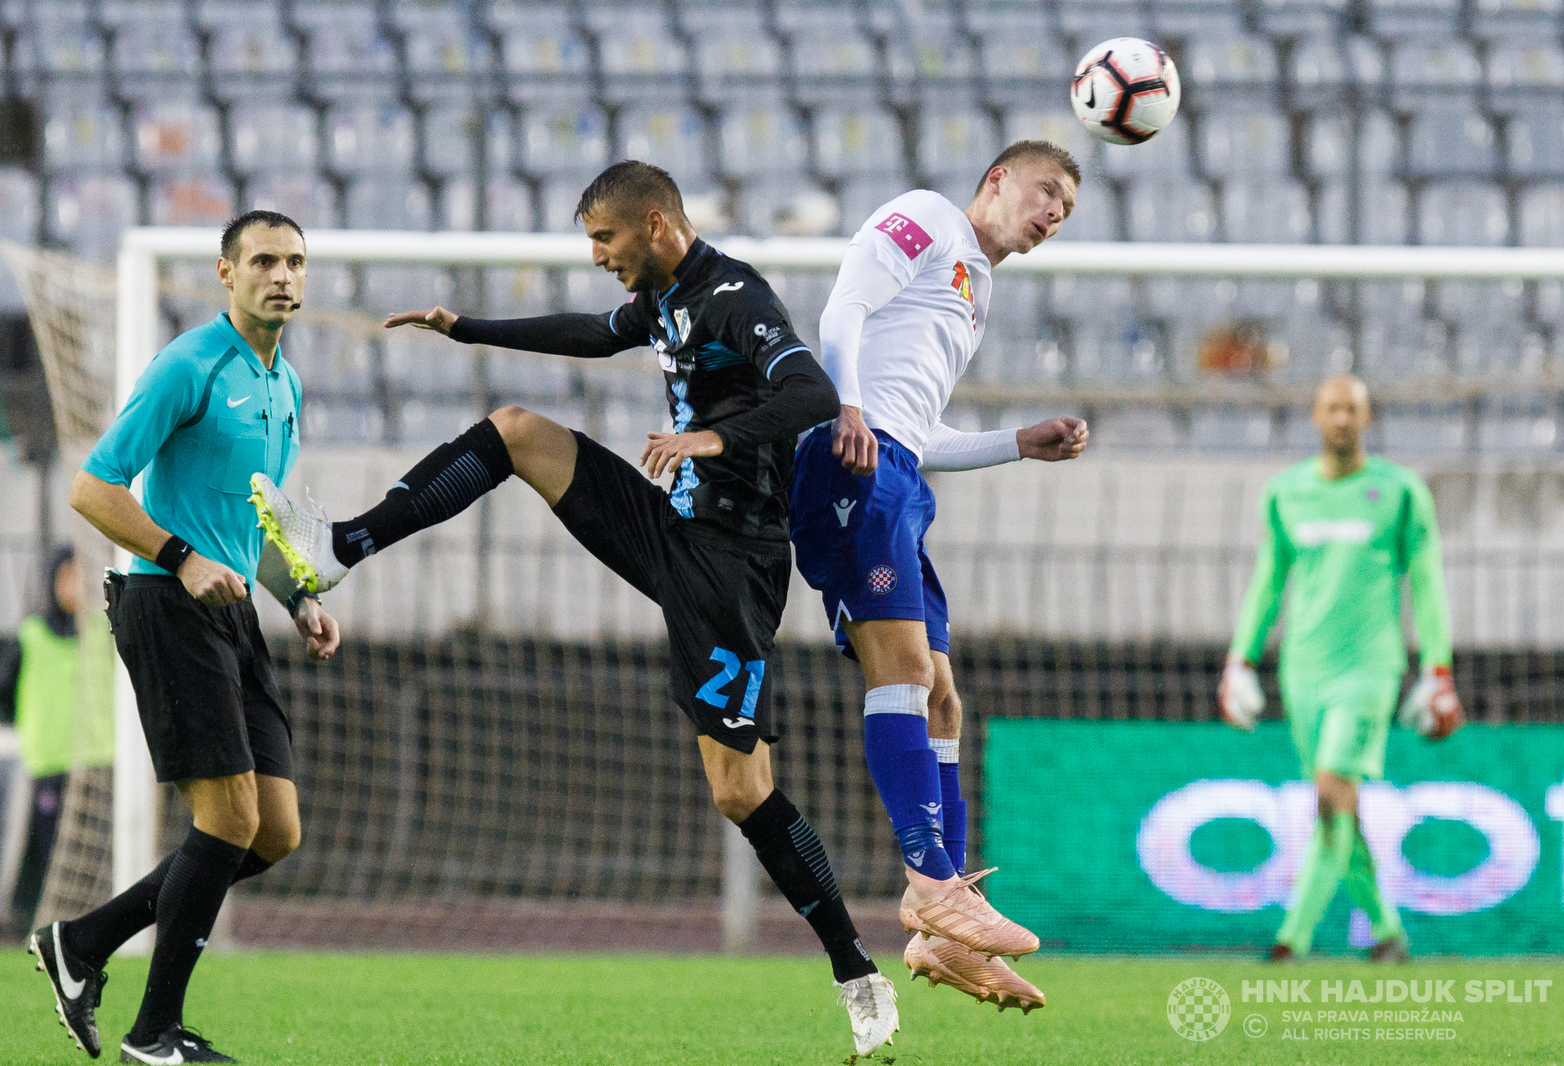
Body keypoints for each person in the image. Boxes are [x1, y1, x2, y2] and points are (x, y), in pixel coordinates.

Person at [248, 161, 901, 1058]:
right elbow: (595, 335)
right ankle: (341, 549)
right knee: (516, 430)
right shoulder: (664, 297)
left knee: (739, 789)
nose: (596, 255)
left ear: (659, 225)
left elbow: (811, 393)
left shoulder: (733, 295)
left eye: (605, 238)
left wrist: (712, 435)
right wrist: (466, 328)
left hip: (733, 565)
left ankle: (856, 971)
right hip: (667, 522)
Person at [30, 211, 341, 1064]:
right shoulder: (189, 364)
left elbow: (255, 517)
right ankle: (154, 1033)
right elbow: (94, 489)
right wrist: (179, 555)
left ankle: (82, 943)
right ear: (225, 273)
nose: (282, 275)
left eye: (295, 262)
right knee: (229, 816)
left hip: (231, 607)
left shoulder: (286, 383)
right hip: (165, 600)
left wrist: (299, 595)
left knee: (273, 831)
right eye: (264, 261)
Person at [789, 141, 1090, 1012]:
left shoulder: (976, 287)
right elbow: (844, 308)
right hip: (853, 460)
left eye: (1065, 210)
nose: (1052, 215)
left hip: (899, 473)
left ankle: (942, 931)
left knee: (945, 697)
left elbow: (920, 432)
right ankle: (929, 886)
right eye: (1045, 193)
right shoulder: (926, 216)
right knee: (907, 674)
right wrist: (844, 405)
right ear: (997, 180)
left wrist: (1015, 443)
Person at [1218, 374, 1461, 962]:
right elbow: (1268, 580)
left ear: (1367, 418)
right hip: (1302, 671)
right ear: (1316, 414)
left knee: (1330, 790)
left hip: (1370, 669)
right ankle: (1387, 933)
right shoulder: (1286, 492)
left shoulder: (1400, 492)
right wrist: (1239, 660)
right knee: (1338, 800)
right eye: (1333, 407)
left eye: (1353, 409)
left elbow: (1426, 583)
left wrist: (1438, 669)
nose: (1343, 418)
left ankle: (1289, 939)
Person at [2, 547, 112, 931]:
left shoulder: (102, 632)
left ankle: (92, 925)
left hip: (98, 761)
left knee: (97, 854)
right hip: (47, 763)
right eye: (67, 577)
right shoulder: (30, 635)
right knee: (46, 852)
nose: (75, 587)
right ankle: (35, 924)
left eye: (81, 578)